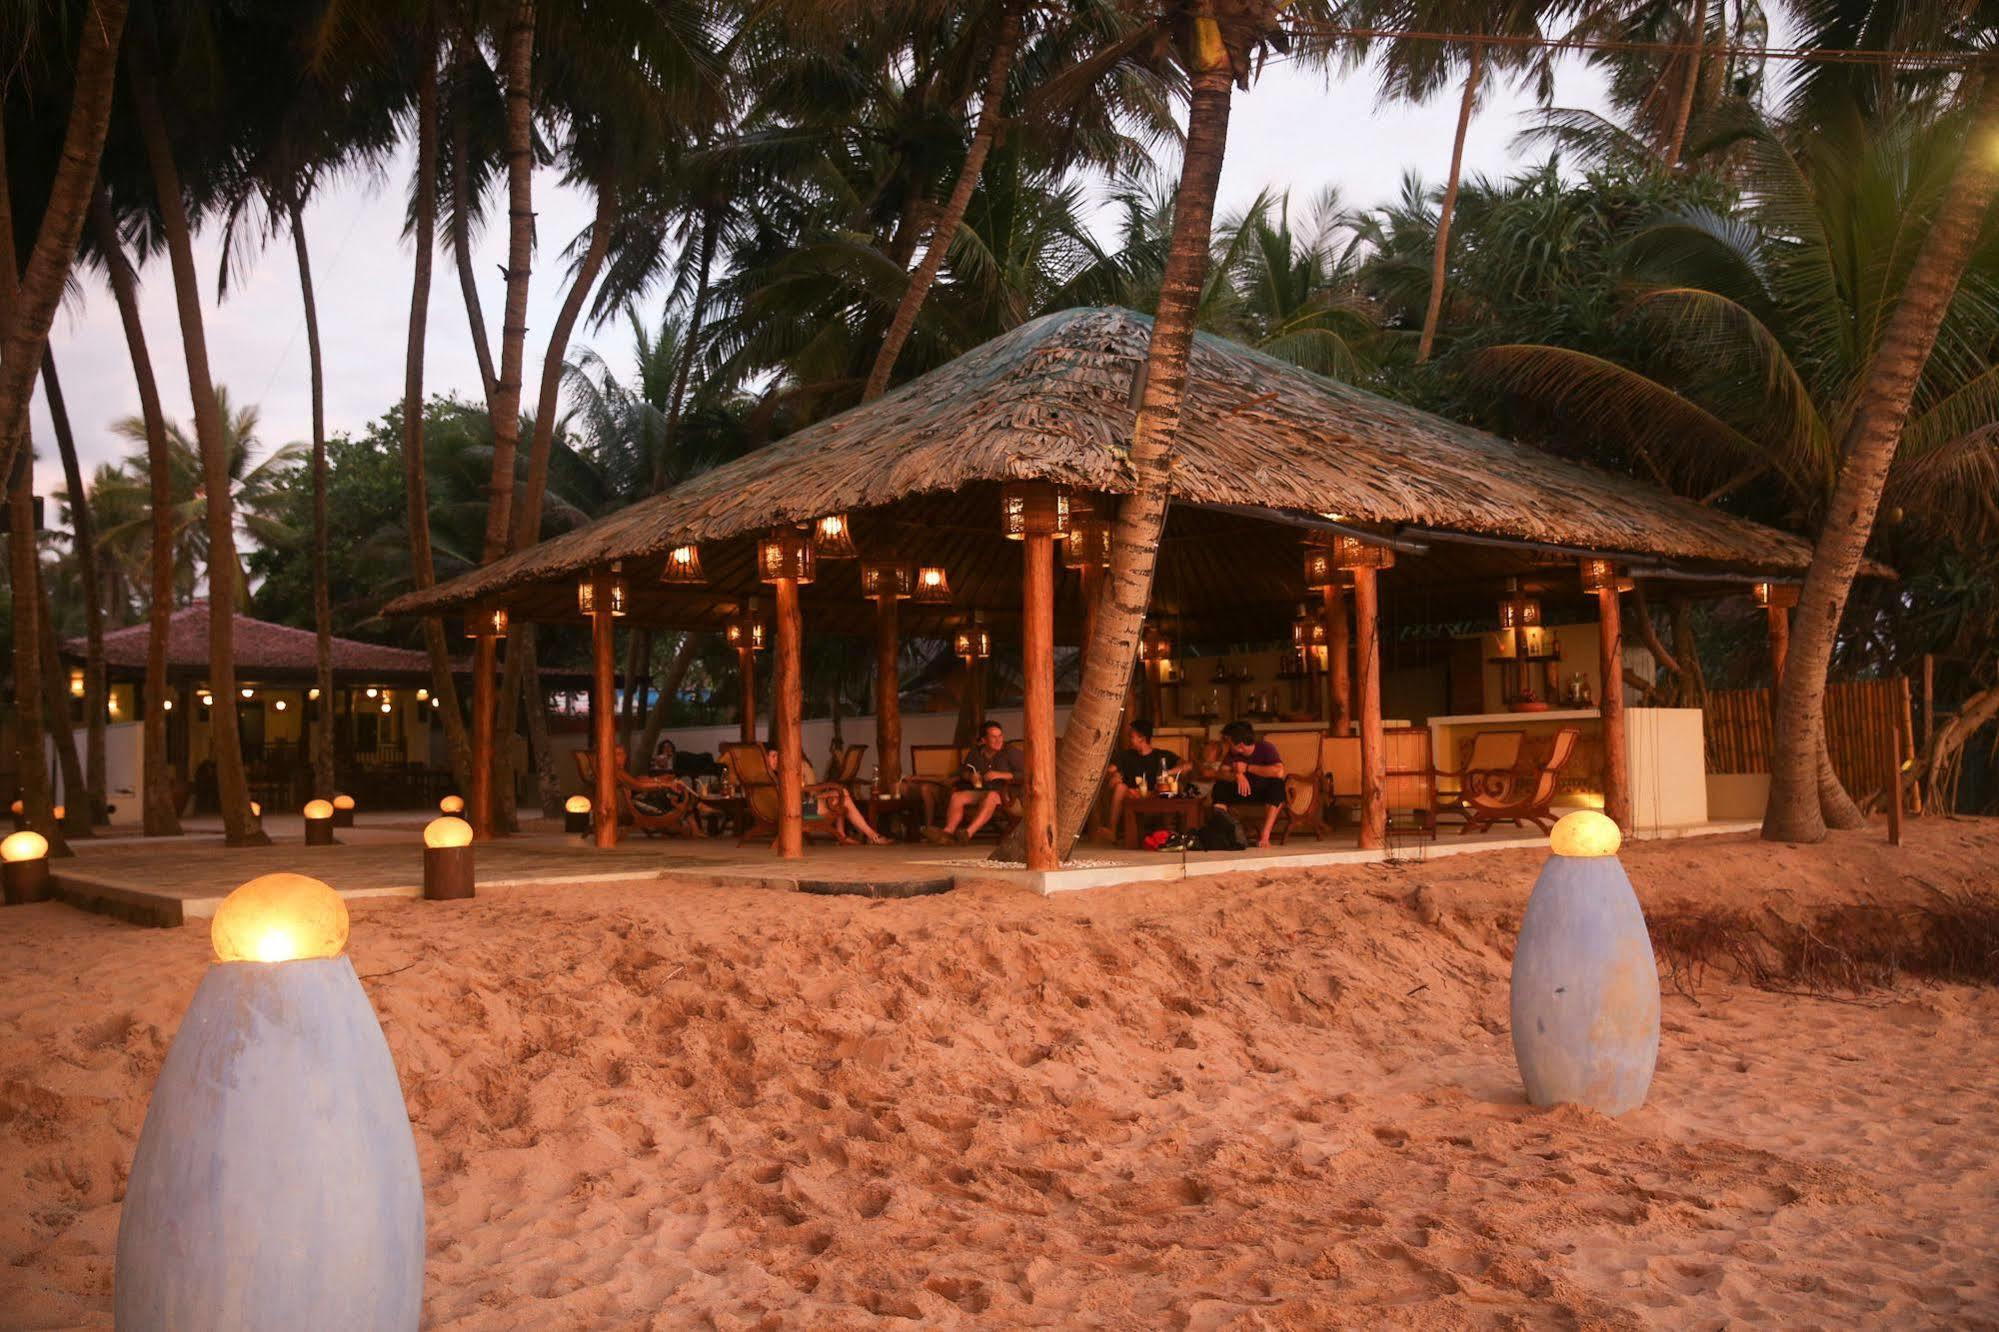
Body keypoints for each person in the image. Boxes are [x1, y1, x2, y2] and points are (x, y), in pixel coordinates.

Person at [922, 720, 1023, 844]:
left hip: (1006, 794)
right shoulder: (975, 753)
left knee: (991, 797)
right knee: (957, 797)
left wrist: (1000, 774)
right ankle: (948, 833)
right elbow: (963, 771)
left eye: (1000, 736)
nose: (998, 740)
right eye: (993, 737)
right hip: (982, 790)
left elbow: (1027, 773)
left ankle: (967, 833)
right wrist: (970, 777)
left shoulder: (1010, 752)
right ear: (984, 740)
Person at [766, 745, 889, 845]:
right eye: (772, 756)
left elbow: (803, 793)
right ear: (765, 759)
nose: (776, 759)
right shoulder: (776, 777)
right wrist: (826, 794)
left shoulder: (771, 776)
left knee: (841, 796)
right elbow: (801, 794)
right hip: (800, 810)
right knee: (842, 797)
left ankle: (846, 835)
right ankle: (871, 836)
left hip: (802, 805)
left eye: (777, 755)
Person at [1095, 719, 1190, 841]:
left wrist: (1167, 773)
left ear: (1142, 738)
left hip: (1156, 795)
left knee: (1170, 787)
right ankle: (1112, 831)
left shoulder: (1161, 755)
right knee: (1120, 787)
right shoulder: (1126, 755)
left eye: (1132, 736)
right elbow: (1109, 770)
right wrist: (1113, 777)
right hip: (1133, 795)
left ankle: (1171, 835)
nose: (1129, 739)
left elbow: (1187, 766)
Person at [1209, 719, 1288, 847]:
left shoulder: (1266, 748)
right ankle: (1224, 832)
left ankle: (1265, 836)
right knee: (1220, 786)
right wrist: (1237, 775)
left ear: (1240, 745)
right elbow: (1221, 773)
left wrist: (1247, 768)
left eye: (1229, 742)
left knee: (1277, 785)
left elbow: (1278, 772)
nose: (1228, 745)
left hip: (1262, 792)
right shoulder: (1232, 754)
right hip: (1241, 791)